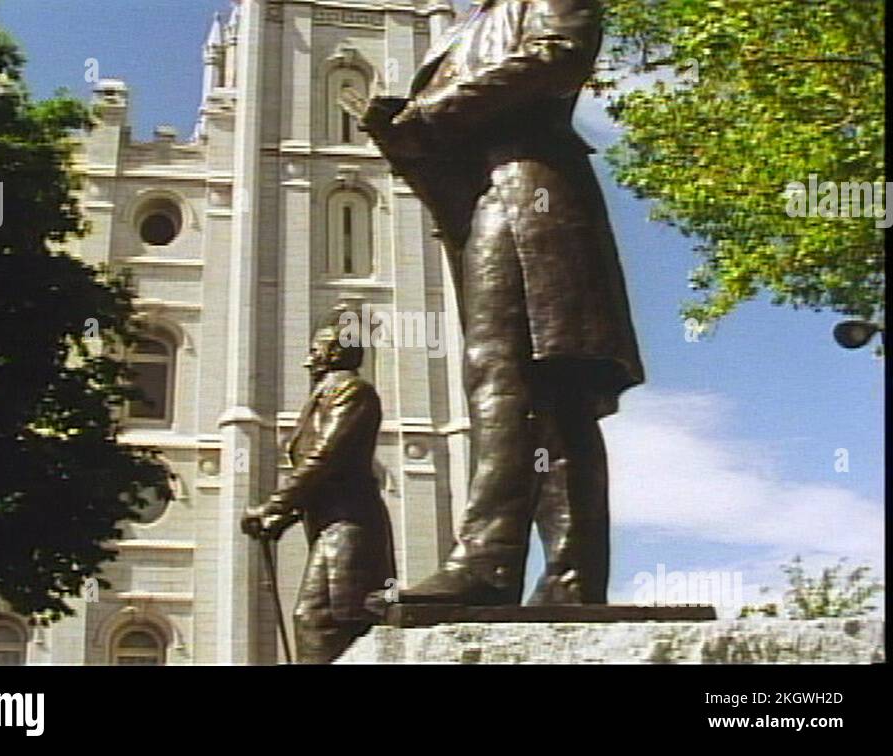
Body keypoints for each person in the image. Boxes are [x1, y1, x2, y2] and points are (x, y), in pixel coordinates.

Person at [360, 0, 644, 605]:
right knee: (550, 391)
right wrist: (401, 134)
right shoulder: (469, 27)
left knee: (504, 373)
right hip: (483, 203)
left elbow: (556, 57)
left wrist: (431, 115)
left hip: (526, 192)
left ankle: (487, 561)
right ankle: (572, 580)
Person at [241, 309, 396, 662]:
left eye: (315, 351)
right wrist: (281, 520)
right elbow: (319, 476)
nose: (306, 361)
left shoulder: (352, 391)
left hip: (350, 527)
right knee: (325, 619)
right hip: (328, 527)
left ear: (336, 353)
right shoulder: (323, 396)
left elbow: (325, 458)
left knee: (322, 618)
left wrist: (273, 506)